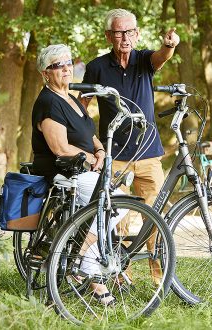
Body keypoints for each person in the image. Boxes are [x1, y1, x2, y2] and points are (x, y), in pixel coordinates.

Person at [79, 8, 180, 285]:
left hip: (148, 152)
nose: (126, 37)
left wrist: (169, 45)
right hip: (115, 154)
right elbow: (81, 109)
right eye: (120, 32)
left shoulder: (144, 59)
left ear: (137, 33)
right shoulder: (97, 67)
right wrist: (92, 144)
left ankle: (160, 278)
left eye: (131, 31)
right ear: (109, 35)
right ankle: (120, 275)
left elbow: (162, 57)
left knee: (156, 216)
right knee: (116, 217)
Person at [32, 44, 114, 305]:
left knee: (108, 206)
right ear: (46, 73)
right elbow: (59, 148)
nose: (66, 68)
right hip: (62, 171)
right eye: (58, 65)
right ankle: (88, 273)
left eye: (68, 62)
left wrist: (99, 150)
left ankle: (72, 256)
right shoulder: (48, 102)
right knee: (111, 206)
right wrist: (91, 159)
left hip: (84, 168)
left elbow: (88, 133)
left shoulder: (72, 99)